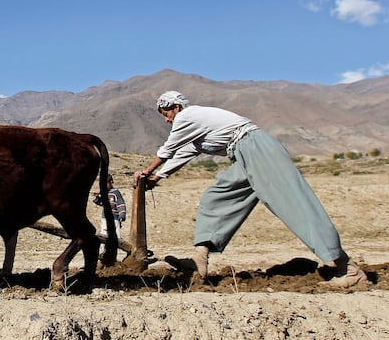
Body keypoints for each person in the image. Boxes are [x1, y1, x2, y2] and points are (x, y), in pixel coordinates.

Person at [133, 90, 367, 288]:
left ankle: (347, 269)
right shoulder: (195, 128)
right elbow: (185, 152)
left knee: (294, 204)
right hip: (243, 155)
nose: (166, 120)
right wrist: (157, 177)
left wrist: (146, 171)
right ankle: (199, 259)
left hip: (257, 148)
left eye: (166, 114)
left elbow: (169, 148)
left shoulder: (188, 116)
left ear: (174, 106)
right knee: (216, 196)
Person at [93, 174, 127, 239]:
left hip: (115, 218)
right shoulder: (103, 192)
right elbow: (101, 203)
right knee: (104, 234)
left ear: (111, 182)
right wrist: (97, 198)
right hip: (105, 217)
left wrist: (122, 214)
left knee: (116, 235)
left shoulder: (115, 193)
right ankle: (102, 248)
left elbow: (121, 204)